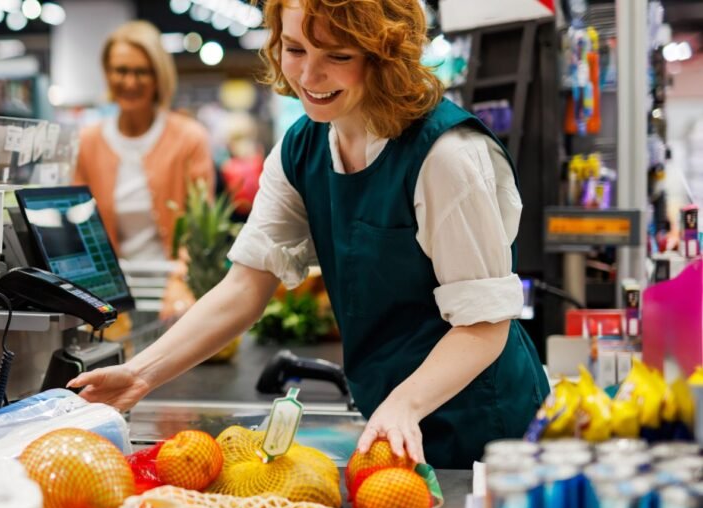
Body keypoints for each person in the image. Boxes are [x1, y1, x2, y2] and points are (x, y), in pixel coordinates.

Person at [69, 0, 550, 469]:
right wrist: (140, 374)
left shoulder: (446, 156)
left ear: (385, 55)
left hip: (485, 425)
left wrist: (405, 403)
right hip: (393, 417)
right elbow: (244, 286)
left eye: (338, 56)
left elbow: (484, 326)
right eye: (295, 49)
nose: (308, 76)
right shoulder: (302, 148)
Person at [73, 21, 215, 263]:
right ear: (107, 73)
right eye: (120, 70)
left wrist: (181, 280)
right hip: (110, 285)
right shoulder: (88, 141)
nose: (130, 82)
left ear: (158, 76)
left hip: (176, 279)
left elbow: (201, 226)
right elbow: (78, 220)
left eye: (141, 72)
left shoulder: (189, 138)